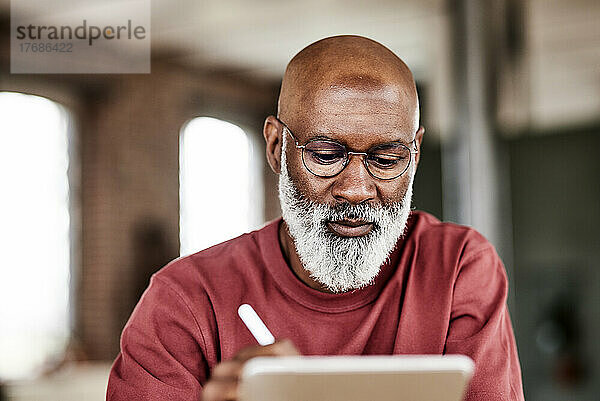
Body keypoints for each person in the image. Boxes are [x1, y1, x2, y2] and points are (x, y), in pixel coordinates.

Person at [107, 35, 525, 401]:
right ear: (275, 148)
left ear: (414, 155)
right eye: (326, 156)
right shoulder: (184, 302)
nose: (357, 189)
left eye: (387, 159)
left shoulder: (456, 269)